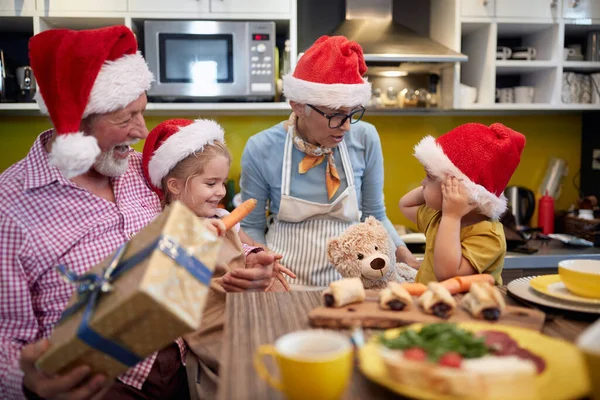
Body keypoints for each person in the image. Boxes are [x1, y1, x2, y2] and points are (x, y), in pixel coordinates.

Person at [0, 26, 273, 400]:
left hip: (179, 366)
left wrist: (240, 270)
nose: (141, 131)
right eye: (125, 119)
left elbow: (198, 228)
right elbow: (6, 335)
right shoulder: (11, 205)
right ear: (77, 121)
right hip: (95, 384)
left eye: (142, 113)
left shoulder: (142, 172)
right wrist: (25, 381)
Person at [239, 35, 419, 288]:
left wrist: (405, 256)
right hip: (287, 282)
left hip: (356, 282)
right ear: (299, 106)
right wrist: (265, 266)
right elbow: (252, 226)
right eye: (335, 115)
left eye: (352, 113)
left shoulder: (365, 138)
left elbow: (374, 214)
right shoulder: (261, 148)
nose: (345, 126)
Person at [141, 118, 296, 399]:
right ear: (174, 185)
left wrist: (256, 256)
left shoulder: (223, 217)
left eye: (222, 183)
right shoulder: (167, 227)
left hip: (247, 315)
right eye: (210, 183)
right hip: (213, 333)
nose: (221, 192)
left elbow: (241, 246)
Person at [399, 122, 526, 285]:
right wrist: (434, 190)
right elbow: (405, 205)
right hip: (429, 304)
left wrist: (452, 216)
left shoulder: (488, 237)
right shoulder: (438, 217)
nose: (422, 183)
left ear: (465, 190)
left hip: (464, 309)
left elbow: (447, 275)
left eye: (430, 177)